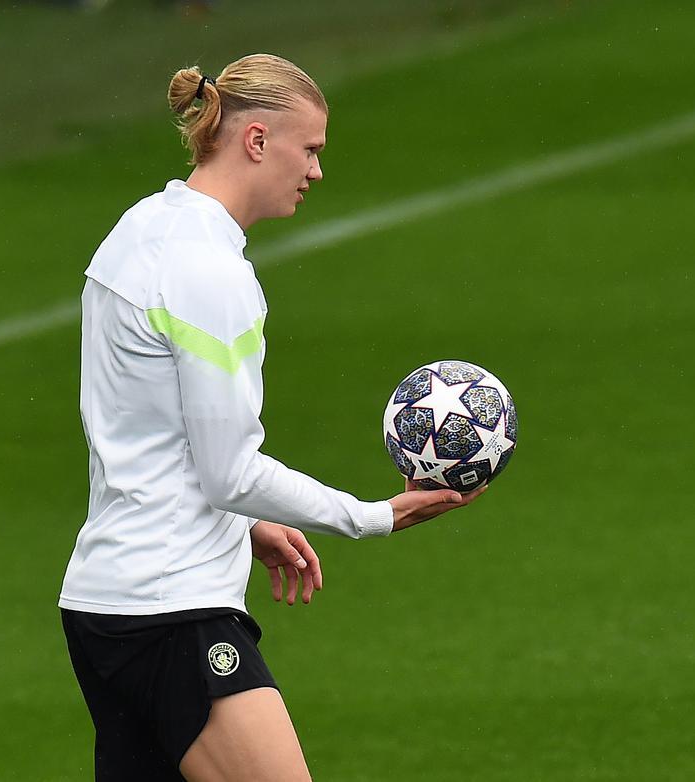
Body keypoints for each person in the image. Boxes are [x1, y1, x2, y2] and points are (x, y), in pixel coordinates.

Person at [59, 53, 484, 781]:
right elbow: (229, 471)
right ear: (256, 140)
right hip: (173, 611)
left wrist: (245, 523)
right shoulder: (212, 274)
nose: (316, 170)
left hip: (105, 603)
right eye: (310, 148)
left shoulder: (142, 229)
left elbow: (145, 425)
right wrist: (372, 515)